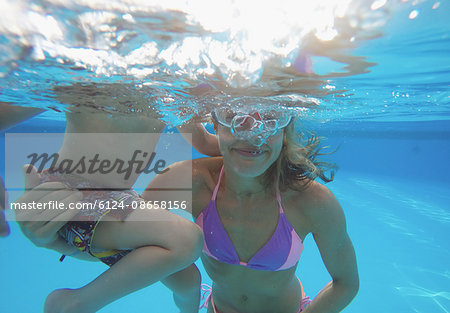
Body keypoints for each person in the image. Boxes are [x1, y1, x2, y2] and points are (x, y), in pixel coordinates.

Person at [18, 104, 359, 313]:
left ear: (286, 129)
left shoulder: (311, 200)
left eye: (270, 119)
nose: (252, 135)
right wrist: (54, 240)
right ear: (216, 124)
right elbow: (114, 239)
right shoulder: (191, 182)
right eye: (234, 117)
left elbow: (346, 283)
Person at [7, 82, 223, 313]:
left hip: (117, 202)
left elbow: (205, 143)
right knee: (187, 240)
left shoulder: (171, 89)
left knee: (188, 280)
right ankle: (75, 303)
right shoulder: (93, 77)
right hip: (73, 195)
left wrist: (250, 141)